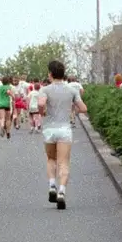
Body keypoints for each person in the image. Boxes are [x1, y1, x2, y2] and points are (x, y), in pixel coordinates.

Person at [40, 59, 85, 209]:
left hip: (49, 129)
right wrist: (73, 108)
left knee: (51, 158)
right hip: (65, 128)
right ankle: (61, 192)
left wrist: (43, 111)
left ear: (50, 74)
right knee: (64, 162)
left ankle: (52, 185)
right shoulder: (72, 90)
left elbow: (40, 103)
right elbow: (83, 108)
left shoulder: (45, 90)